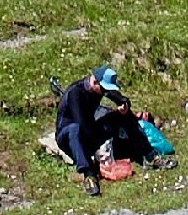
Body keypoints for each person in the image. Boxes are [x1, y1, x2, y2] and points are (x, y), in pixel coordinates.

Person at [54, 66, 153, 196]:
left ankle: (148, 154)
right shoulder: (75, 93)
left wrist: (124, 105)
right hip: (68, 136)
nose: (105, 92)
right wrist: (98, 145)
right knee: (75, 129)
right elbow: (81, 124)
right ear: (95, 82)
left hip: (89, 129)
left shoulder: (99, 89)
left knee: (122, 115)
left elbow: (120, 99)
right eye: (104, 89)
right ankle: (88, 174)